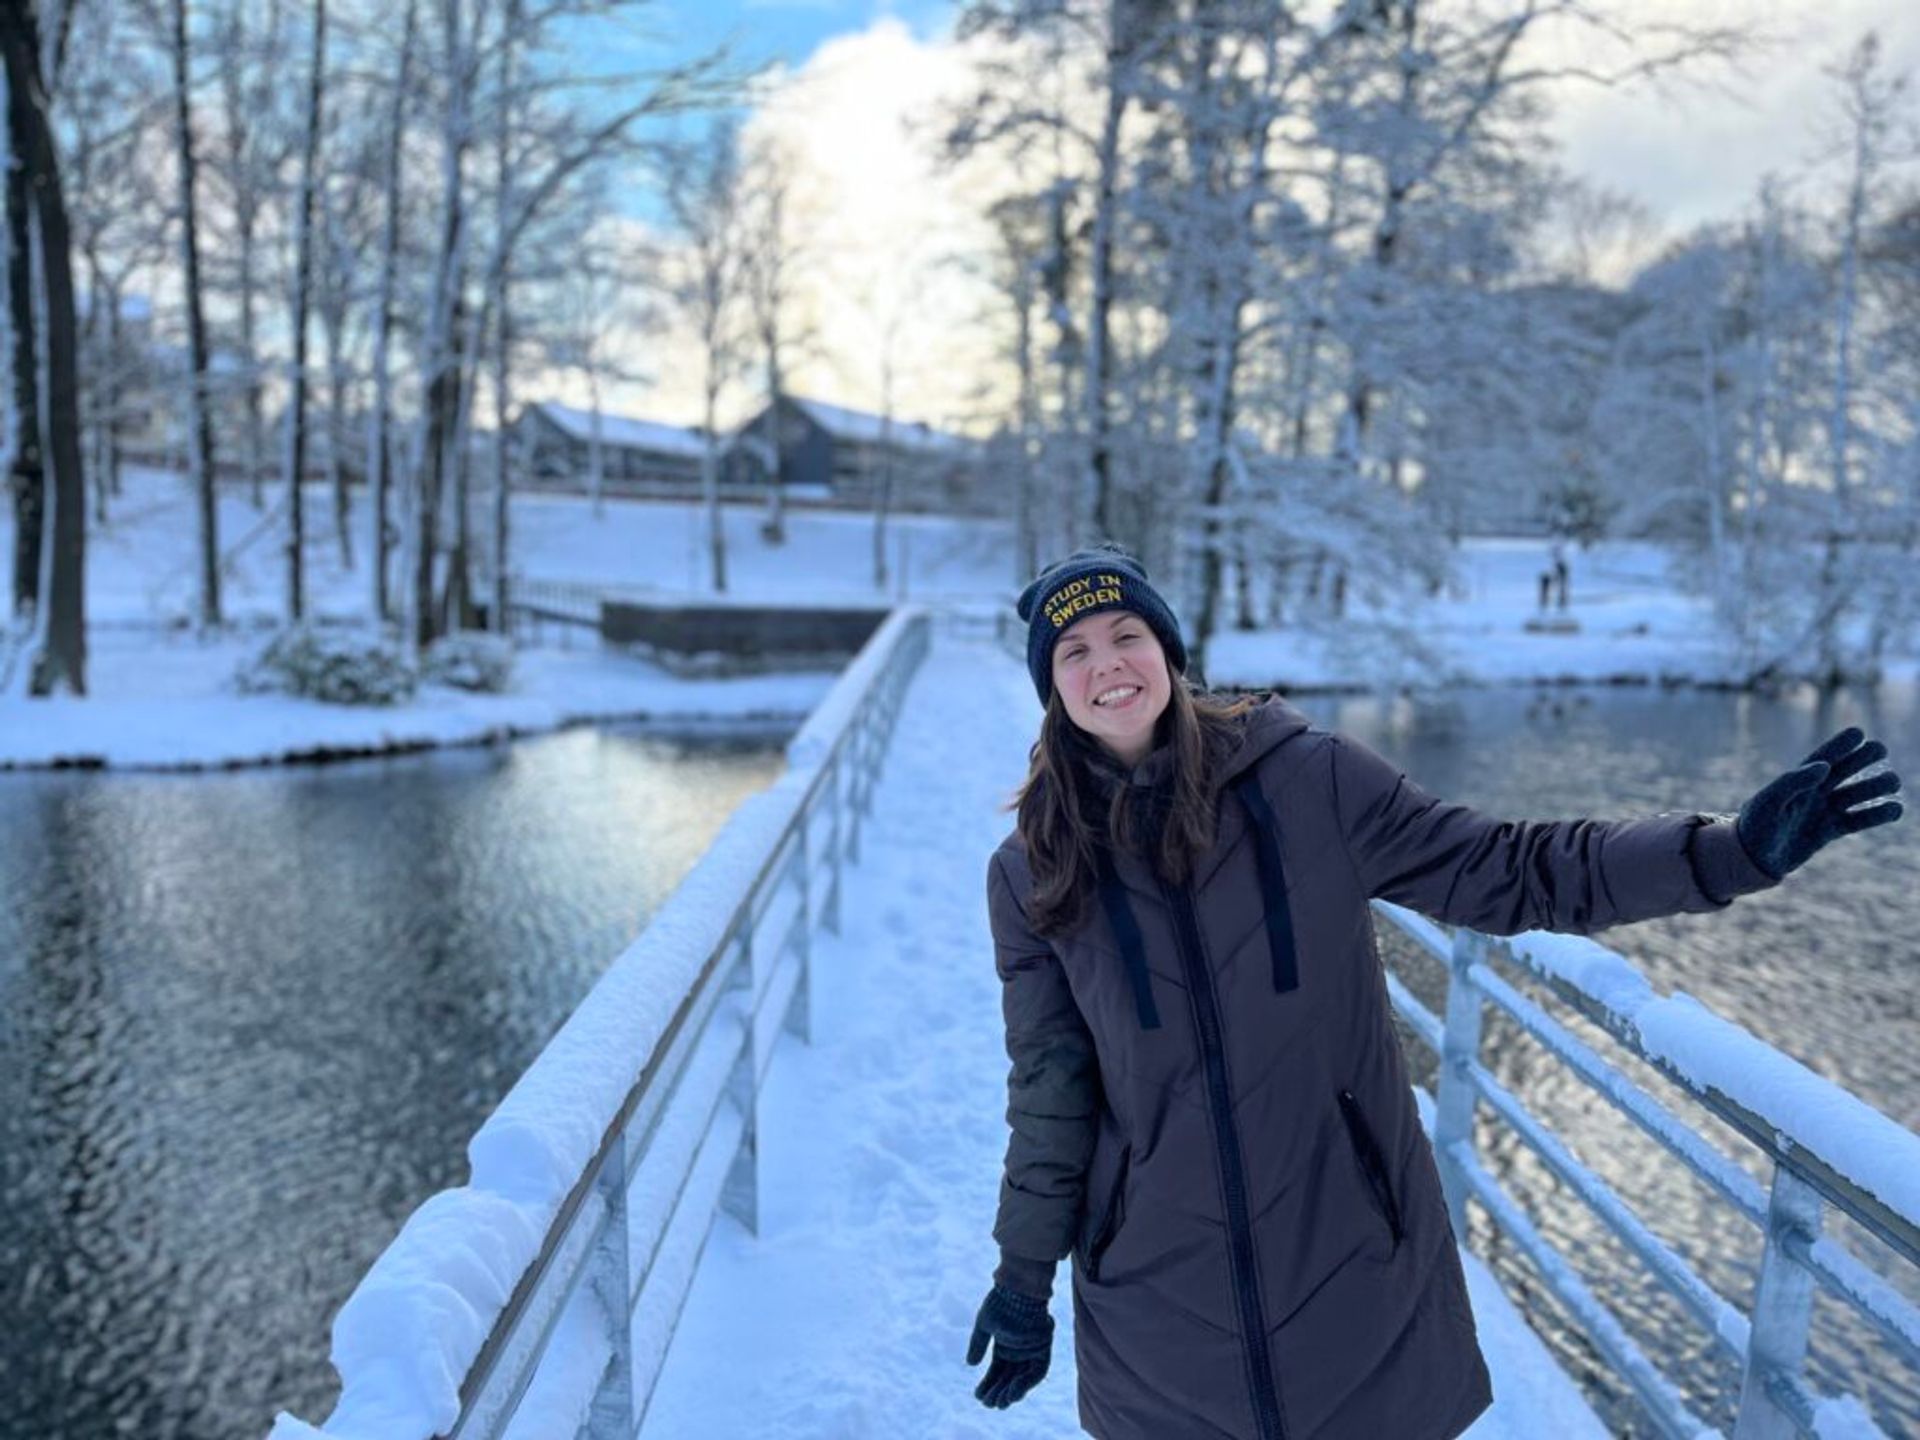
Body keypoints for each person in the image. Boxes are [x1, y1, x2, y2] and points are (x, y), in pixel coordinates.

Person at [964, 544, 1904, 1440]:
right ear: (1053, 687)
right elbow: (1051, 1091)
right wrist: (1023, 1278)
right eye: (1075, 652)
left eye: (1128, 635)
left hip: (1352, 1269)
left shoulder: (1307, 782)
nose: (1108, 665)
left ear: (1168, 651)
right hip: (1160, 1305)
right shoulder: (1034, 872)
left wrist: (1724, 852)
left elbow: (1513, 868)